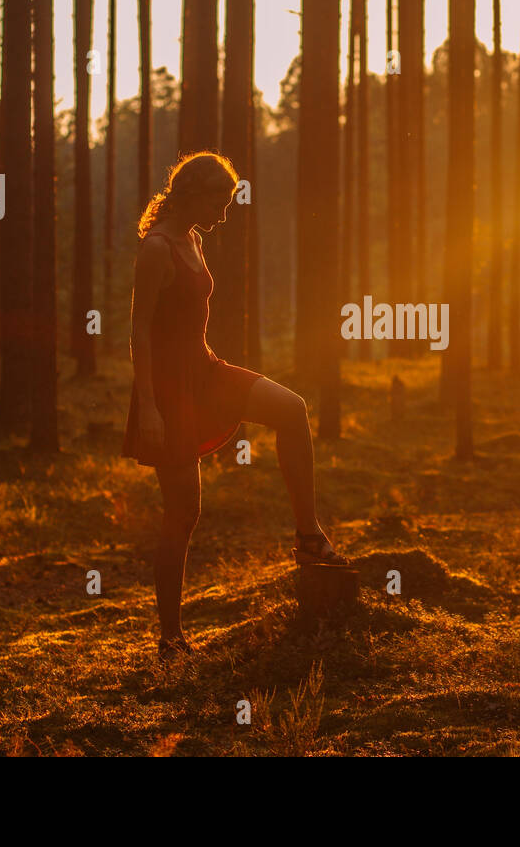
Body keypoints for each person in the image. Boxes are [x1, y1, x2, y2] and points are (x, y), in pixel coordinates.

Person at [121, 152, 347, 659]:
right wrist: (151, 409)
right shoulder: (156, 248)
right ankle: (170, 638)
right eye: (220, 200)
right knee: (183, 514)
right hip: (169, 388)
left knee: (292, 409)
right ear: (194, 194)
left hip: (206, 369)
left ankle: (309, 537)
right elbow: (139, 330)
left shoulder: (194, 240)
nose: (226, 211)